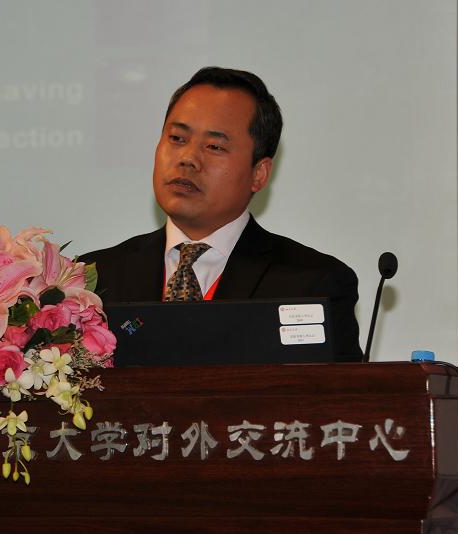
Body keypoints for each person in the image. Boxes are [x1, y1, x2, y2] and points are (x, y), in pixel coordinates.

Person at [80, 67, 362, 359]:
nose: (188, 158)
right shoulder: (89, 281)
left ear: (259, 173)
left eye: (214, 146)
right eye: (177, 138)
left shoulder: (311, 285)